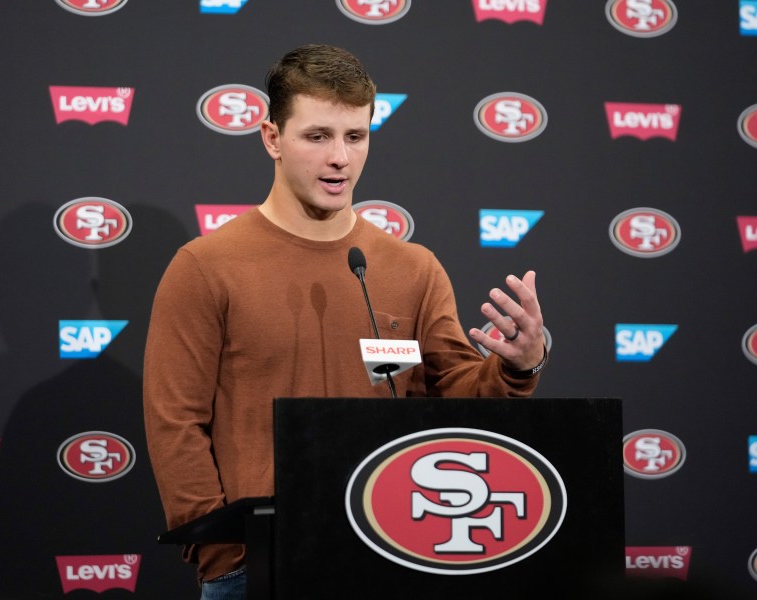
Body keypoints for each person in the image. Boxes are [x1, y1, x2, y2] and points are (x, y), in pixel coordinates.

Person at [143, 43, 548, 599]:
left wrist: (518, 368)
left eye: (355, 137)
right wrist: (226, 555)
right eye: (318, 136)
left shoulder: (413, 268)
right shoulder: (205, 267)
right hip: (260, 566)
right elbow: (175, 422)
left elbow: (456, 399)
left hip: (395, 553)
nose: (340, 158)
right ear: (271, 139)